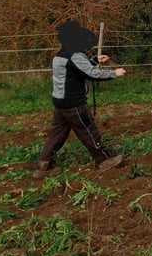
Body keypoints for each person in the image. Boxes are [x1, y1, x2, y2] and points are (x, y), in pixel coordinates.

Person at [34, 21, 127, 178]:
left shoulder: (60, 55)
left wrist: (96, 61)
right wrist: (114, 73)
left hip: (60, 102)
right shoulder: (75, 55)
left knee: (57, 135)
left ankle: (44, 166)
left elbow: (77, 70)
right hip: (74, 103)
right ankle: (104, 161)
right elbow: (91, 74)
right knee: (88, 131)